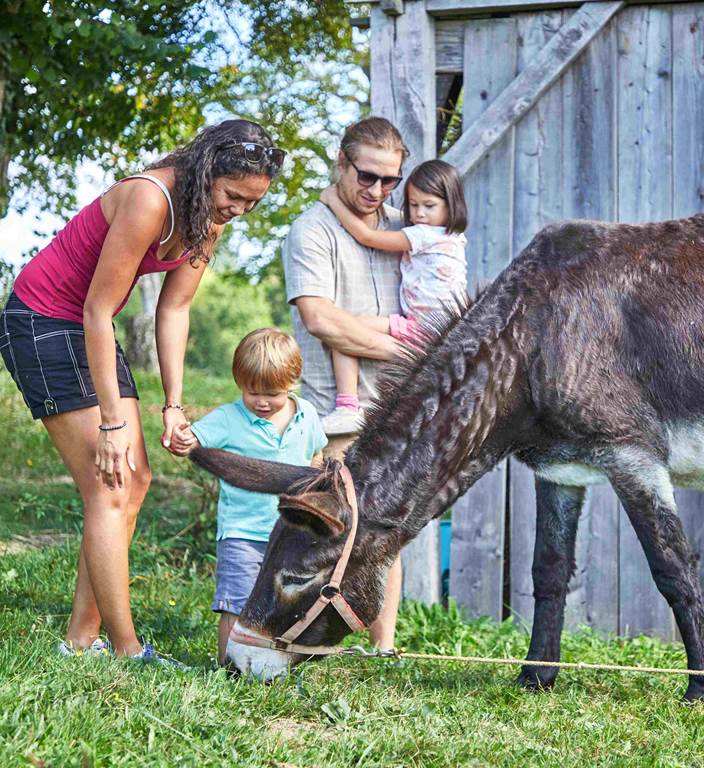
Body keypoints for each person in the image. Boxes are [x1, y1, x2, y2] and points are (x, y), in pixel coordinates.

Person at [0, 119, 285, 664]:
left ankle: (81, 641)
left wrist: (173, 404)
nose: (239, 211)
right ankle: (126, 649)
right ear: (207, 171)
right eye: (233, 196)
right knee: (110, 484)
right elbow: (98, 309)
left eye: (253, 204)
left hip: (86, 326)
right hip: (42, 321)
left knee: (136, 479)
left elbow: (174, 308)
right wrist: (111, 422)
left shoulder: (208, 222)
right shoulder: (149, 199)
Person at [282, 116, 408, 650]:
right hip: (331, 409)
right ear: (341, 162)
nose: (377, 191)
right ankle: (291, 641)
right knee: (317, 529)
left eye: (389, 181)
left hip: (398, 405)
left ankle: (384, 650)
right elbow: (320, 318)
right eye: (367, 176)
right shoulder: (311, 228)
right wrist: (409, 351)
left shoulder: (408, 226)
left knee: (388, 532)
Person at [167, 328, 326, 665]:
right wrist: (182, 441)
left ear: (293, 381)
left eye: (273, 393)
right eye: (252, 392)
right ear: (239, 381)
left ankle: (271, 663)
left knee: (282, 603)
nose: (263, 402)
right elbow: (194, 441)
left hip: (287, 535)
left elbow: (316, 456)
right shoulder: (228, 418)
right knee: (235, 602)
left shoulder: (307, 415)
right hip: (242, 532)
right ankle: (227, 667)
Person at [318, 158, 468, 434]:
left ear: (451, 204)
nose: (420, 213)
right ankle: (355, 409)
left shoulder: (426, 235)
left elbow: (366, 236)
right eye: (413, 205)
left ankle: (348, 407)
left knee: (343, 330)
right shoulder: (453, 237)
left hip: (427, 331)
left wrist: (332, 200)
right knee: (346, 328)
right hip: (424, 326)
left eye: (429, 206)